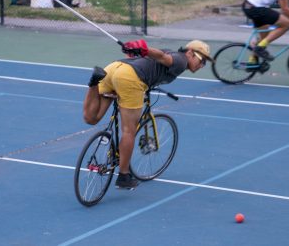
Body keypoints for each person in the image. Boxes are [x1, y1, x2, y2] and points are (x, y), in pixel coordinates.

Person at [83, 39, 213, 189]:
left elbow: (155, 59)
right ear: (190, 52)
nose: (202, 65)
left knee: (92, 118)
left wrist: (137, 51)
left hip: (113, 69)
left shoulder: (169, 51)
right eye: (201, 59)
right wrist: (144, 48)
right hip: (129, 78)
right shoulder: (181, 60)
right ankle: (124, 176)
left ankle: (94, 83)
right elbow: (162, 57)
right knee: (129, 131)